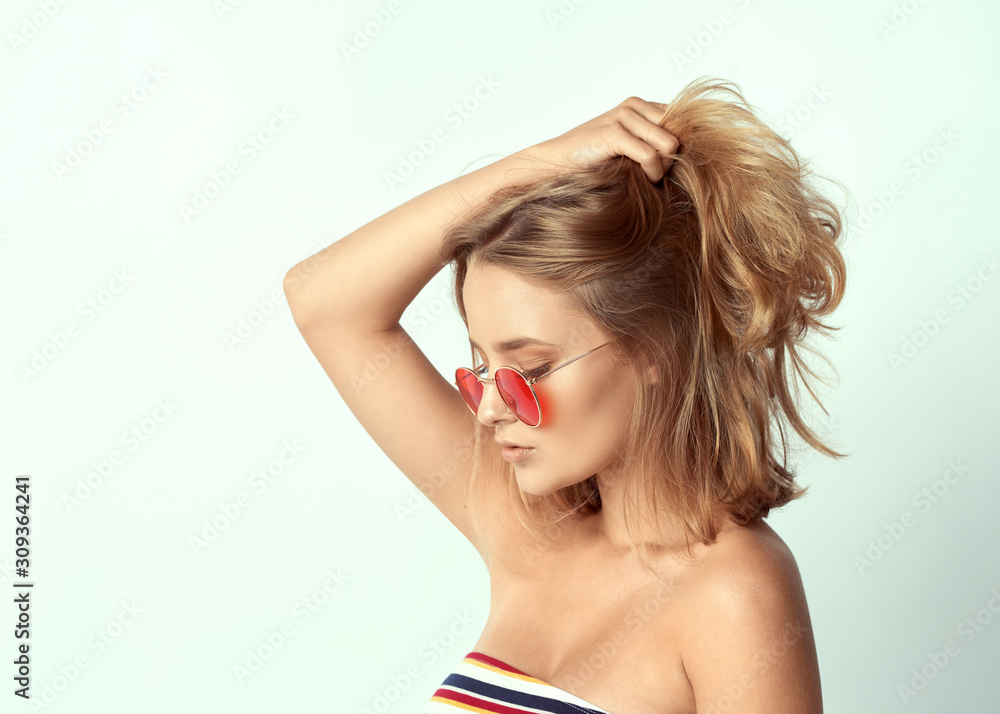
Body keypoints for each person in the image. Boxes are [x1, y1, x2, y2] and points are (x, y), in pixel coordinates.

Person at [284, 76, 847, 714]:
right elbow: (324, 302)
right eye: (482, 367)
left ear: (655, 350)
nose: (490, 409)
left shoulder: (733, 591)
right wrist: (544, 164)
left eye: (530, 367)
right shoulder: (530, 532)